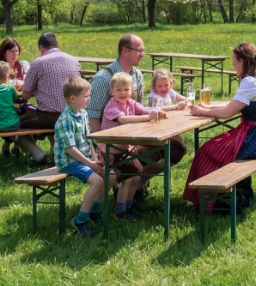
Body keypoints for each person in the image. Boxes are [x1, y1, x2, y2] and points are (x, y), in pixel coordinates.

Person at [183, 43, 256, 211]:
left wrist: (201, 111)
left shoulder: (250, 82)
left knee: (208, 151)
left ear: (242, 61)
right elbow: (233, 106)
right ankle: (224, 196)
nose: (232, 64)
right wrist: (207, 109)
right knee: (215, 147)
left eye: (234, 60)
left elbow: (226, 113)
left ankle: (216, 202)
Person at [87, 33, 187, 175]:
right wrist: (102, 147)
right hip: (114, 142)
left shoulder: (137, 75)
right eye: (139, 50)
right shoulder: (103, 78)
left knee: (177, 147)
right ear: (125, 51)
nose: (143, 54)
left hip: (136, 134)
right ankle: (126, 178)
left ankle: (138, 182)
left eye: (143, 50)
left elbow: (138, 108)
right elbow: (92, 117)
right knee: (163, 149)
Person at [53, 76, 113, 236]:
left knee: (111, 175)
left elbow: (88, 139)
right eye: (86, 96)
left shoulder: (83, 114)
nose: (89, 99)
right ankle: (80, 219)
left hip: (84, 159)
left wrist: (95, 159)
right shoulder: (65, 120)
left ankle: (95, 211)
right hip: (69, 161)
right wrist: (90, 164)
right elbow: (70, 149)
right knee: (98, 181)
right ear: (73, 98)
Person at [17, 32, 82, 168]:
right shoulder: (73, 60)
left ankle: (39, 156)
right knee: (48, 115)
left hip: (49, 117)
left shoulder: (38, 63)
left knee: (14, 128)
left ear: (41, 48)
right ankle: (55, 152)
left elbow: (26, 95)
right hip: (74, 114)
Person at [101, 72, 160, 221]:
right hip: (111, 149)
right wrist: (148, 117)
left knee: (137, 173)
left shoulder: (131, 103)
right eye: (119, 90)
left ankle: (128, 206)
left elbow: (146, 110)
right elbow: (123, 119)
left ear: (132, 90)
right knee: (128, 178)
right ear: (112, 91)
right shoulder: (111, 106)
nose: (123, 93)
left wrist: (159, 111)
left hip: (125, 148)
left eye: (126, 89)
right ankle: (121, 212)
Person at [0, 61, 21, 158]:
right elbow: (15, 99)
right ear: (7, 77)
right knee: (20, 118)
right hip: (14, 124)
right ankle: (15, 146)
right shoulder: (10, 88)